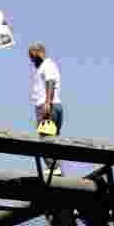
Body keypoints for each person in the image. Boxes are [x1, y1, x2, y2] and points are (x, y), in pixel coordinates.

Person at [28, 42, 64, 175]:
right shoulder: (46, 66)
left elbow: (50, 82)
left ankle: (54, 168)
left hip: (47, 106)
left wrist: (47, 103)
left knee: (45, 138)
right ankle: (56, 167)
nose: (31, 60)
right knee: (51, 139)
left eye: (32, 56)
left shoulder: (47, 65)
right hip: (54, 106)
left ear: (39, 53)